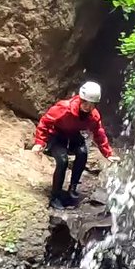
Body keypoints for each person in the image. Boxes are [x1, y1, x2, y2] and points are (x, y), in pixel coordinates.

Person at [31, 81, 118, 209]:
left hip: (73, 135)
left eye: (92, 104)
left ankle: (73, 187)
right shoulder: (64, 108)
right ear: (81, 99)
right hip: (56, 135)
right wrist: (40, 142)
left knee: (82, 153)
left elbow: (99, 133)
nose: (88, 107)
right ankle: (55, 196)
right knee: (63, 161)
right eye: (86, 103)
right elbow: (45, 122)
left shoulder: (93, 116)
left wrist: (108, 153)